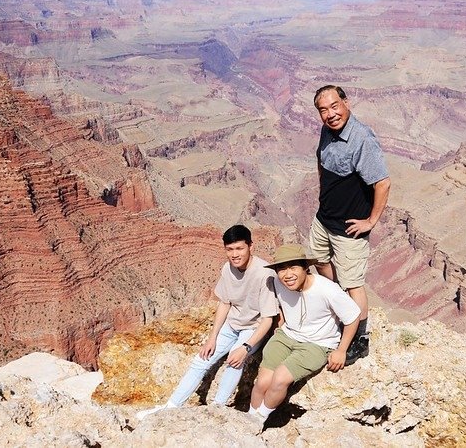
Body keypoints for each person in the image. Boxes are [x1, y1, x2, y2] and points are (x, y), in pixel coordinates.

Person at [136, 225, 278, 419]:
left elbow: (268, 319)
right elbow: (224, 304)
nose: (234, 254)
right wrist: (213, 337)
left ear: (250, 246)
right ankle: (170, 407)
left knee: (235, 362)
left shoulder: (265, 273)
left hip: (253, 328)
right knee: (200, 361)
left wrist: (245, 347)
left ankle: (216, 409)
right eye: (230, 249)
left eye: (239, 248)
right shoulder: (228, 268)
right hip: (232, 324)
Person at [308, 85, 391, 364]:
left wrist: (371, 221)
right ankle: (339, 310)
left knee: (353, 284)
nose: (330, 114)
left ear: (346, 102)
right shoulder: (327, 132)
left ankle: (359, 338)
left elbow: (382, 182)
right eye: (323, 110)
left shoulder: (361, 139)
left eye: (334, 106)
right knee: (319, 261)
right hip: (324, 219)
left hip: (348, 228)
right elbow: (322, 163)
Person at [248, 244, 360, 426]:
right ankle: (248, 419)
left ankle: (258, 420)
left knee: (279, 380)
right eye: (282, 269)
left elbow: (353, 316)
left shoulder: (326, 289)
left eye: (293, 267)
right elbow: (281, 305)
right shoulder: (278, 282)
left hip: (317, 344)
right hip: (287, 336)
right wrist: (280, 326)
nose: (287, 274)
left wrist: (341, 350)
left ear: (305, 268)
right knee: (262, 382)